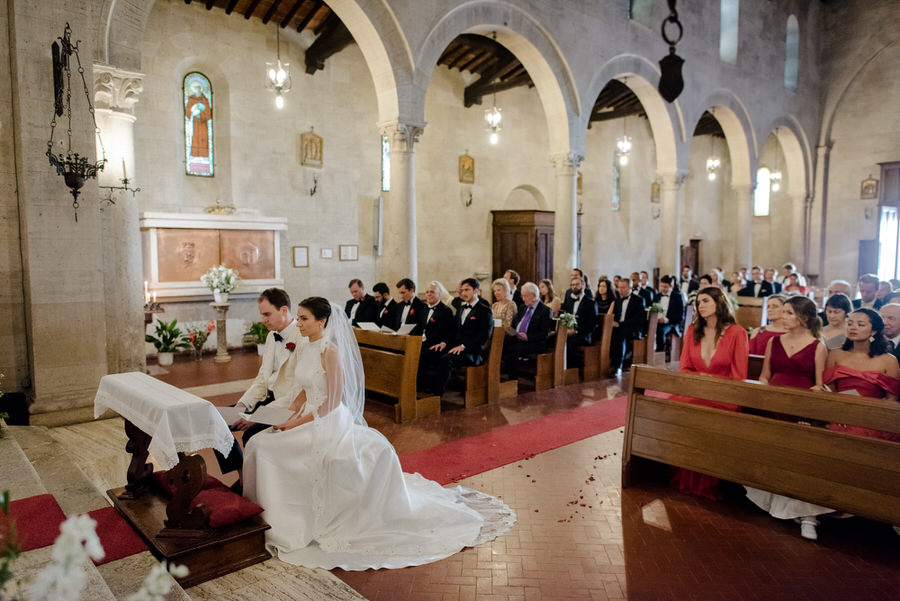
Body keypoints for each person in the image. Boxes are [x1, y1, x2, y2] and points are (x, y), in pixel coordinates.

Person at [242, 297, 515, 570]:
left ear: (321, 321)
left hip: (326, 421)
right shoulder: (305, 346)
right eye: (298, 318)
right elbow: (303, 388)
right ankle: (268, 517)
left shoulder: (330, 351)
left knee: (268, 451)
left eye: (303, 319)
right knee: (258, 443)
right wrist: (284, 414)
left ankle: (285, 524)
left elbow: (332, 402)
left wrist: (294, 424)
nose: (298, 323)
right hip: (304, 417)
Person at [745, 297, 831, 540]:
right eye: (782, 312)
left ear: (803, 317)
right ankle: (776, 505)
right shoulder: (774, 341)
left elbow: (819, 385)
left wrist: (807, 413)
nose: (783, 317)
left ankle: (805, 513)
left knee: (798, 457)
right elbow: (765, 375)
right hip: (774, 403)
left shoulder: (817, 346)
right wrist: (759, 393)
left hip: (800, 408)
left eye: (789, 313)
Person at [215, 288, 303, 487]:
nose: (263, 319)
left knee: (250, 434)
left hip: (285, 406)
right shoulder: (272, 336)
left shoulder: (302, 337)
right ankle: (243, 478)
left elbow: (296, 393)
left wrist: (258, 417)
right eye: (262, 314)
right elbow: (262, 379)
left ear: (283, 310)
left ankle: (260, 485)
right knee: (216, 422)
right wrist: (243, 404)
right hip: (267, 398)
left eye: (267, 314)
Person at [673, 287, 749, 499]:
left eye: (706, 301)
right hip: (696, 390)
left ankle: (710, 477)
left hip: (725, 395)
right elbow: (686, 367)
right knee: (674, 407)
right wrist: (700, 384)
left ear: (719, 303)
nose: (701, 306)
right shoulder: (692, 330)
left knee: (705, 413)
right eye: (698, 302)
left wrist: (714, 385)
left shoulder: (737, 333)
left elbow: (739, 375)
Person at [825, 308, 900, 443]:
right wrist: (839, 413)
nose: (853, 328)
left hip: (873, 416)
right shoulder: (835, 354)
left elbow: (892, 399)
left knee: (860, 432)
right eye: (850, 324)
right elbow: (830, 388)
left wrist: (863, 414)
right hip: (840, 411)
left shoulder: (889, 360)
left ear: (874, 331)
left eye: (860, 325)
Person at [433, 278, 494, 397]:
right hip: (457, 347)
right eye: (462, 290)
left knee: (446, 359)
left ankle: (437, 395)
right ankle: (427, 389)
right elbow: (453, 330)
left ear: (476, 291)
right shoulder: (461, 308)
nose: (463, 293)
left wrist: (464, 346)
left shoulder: (484, 310)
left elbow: (483, 336)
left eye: (467, 290)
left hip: (472, 351)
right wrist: (444, 342)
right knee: (434, 352)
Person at [504, 282, 555, 380]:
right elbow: (515, 324)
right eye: (522, 296)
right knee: (501, 345)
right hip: (519, 339)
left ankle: (512, 380)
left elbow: (545, 333)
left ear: (534, 295)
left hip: (535, 342)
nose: (523, 299)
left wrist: (528, 337)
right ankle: (501, 377)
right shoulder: (523, 307)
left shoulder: (545, 310)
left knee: (513, 350)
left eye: (526, 296)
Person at [416, 281, 457, 393]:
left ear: (439, 294)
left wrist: (444, 342)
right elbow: (419, 328)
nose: (429, 294)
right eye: (427, 292)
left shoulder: (446, 311)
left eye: (432, 292)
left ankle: (420, 387)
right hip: (422, 342)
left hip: (436, 345)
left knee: (422, 355)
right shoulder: (423, 309)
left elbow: (450, 331)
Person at [610, 278, 646, 375]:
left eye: (623, 287)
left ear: (630, 288)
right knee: (609, 333)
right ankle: (611, 362)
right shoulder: (617, 300)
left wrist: (620, 324)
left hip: (634, 328)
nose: (620, 290)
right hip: (620, 327)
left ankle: (618, 366)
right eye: (619, 287)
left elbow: (638, 320)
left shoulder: (638, 300)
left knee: (621, 334)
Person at [561, 274, 597, 365]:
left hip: (583, 335)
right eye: (572, 285)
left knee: (569, 340)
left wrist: (575, 331)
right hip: (569, 332)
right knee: (551, 338)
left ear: (583, 286)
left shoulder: (590, 303)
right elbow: (564, 317)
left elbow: (591, 325)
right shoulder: (569, 301)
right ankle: (557, 366)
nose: (574, 287)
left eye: (577, 284)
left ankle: (571, 368)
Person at [654, 275, 685, 362]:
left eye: (666, 287)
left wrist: (666, 319)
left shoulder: (678, 297)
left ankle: (660, 353)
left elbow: (680, 316)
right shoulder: (657, 296)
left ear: (672, 286)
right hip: (657, 321)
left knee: (660, 330)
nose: (663, 289)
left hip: (671, 323)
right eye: (662, 286)